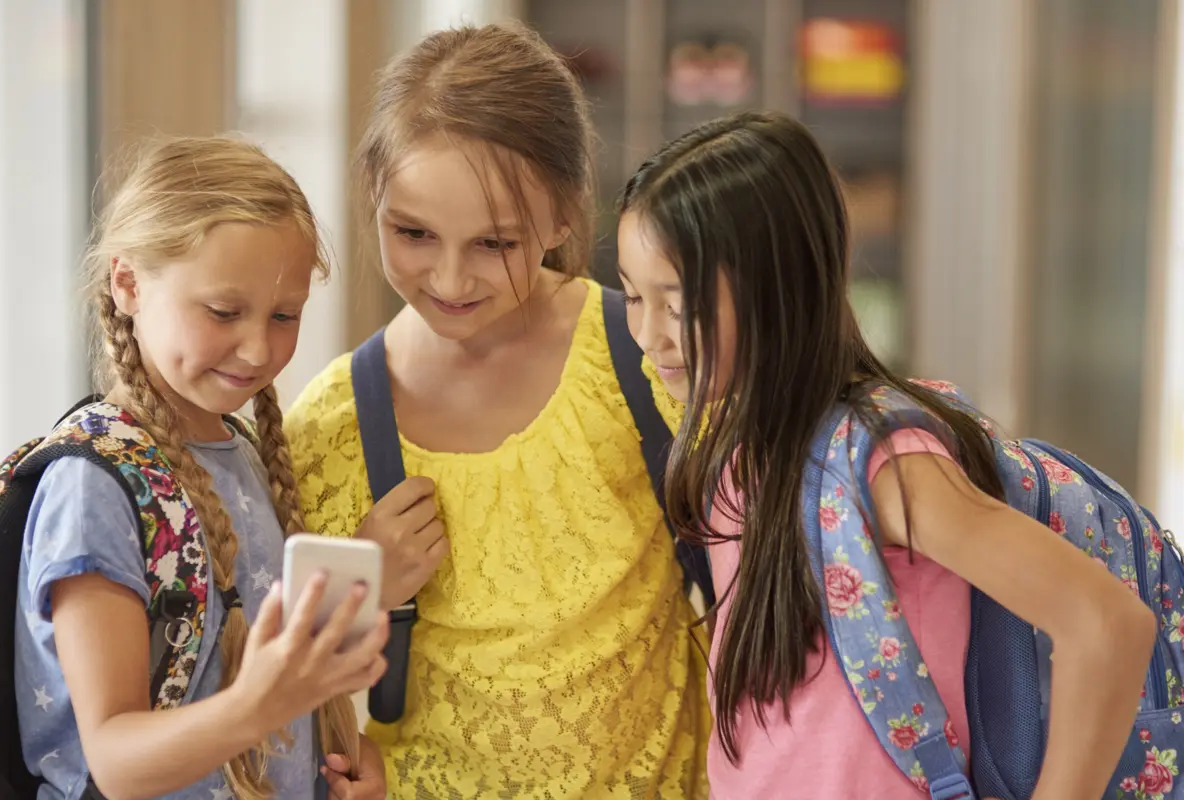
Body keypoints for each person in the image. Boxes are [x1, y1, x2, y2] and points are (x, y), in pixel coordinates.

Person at [613, 110, 1158, 799]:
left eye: (676, 303)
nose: (647, 336)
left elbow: (1106, 624)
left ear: (777, 288)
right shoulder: (735, 446)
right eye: (634, 298)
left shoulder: (884, 463)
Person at [285, 22, 709, 799]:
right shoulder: (334, 423)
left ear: (561, 219)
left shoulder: (646, 360)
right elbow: (282, 679)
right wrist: (365, 586)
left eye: (494, 244)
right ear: (372, 196)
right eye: (413, 232)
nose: (449, 277)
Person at [13, 136, 389, 799]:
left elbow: (237, 684)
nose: (257, 347)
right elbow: (115, 762)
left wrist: (340, 754)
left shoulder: (244, 453)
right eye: (223, 312)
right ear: (127, 283)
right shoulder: (94, 484)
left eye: (284, 315)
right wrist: (261, 707)